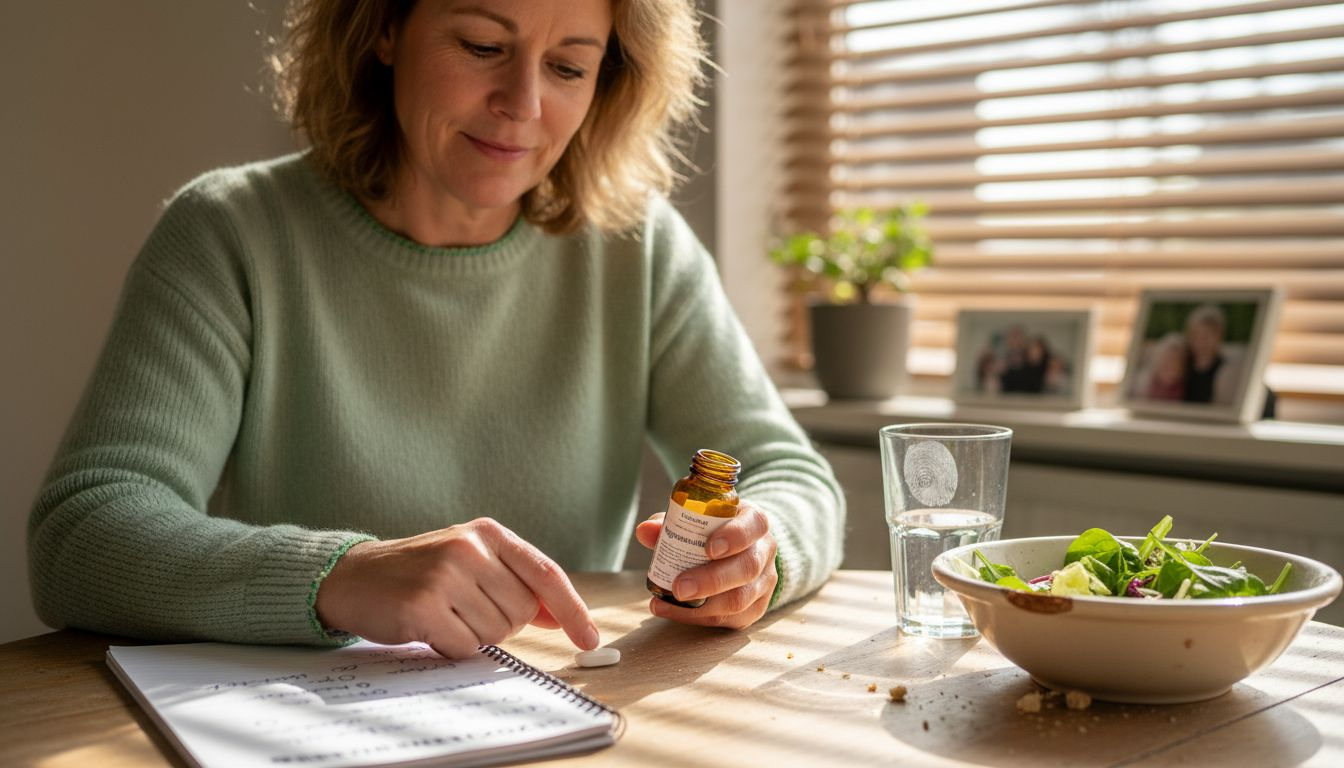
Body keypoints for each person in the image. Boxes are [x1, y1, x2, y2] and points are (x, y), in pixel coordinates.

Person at [27, 0, 844, 660]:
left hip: (567, 720)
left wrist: (758, 556)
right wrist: (335, 576)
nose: (523, 106)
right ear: (383, 26)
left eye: (567, 67)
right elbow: (84, 531)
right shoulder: (231, 232)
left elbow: (789, 476)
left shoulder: (638, 246)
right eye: (483, 44)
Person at [1181, 304, 1236, 404]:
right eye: (1197, 335)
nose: (1201, 342)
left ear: (1219, 337)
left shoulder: (1225, 371)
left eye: (1207, 336)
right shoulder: (1181, 363)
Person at [1139, 332, 1187, 401]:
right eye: (1167, 359)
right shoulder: (1142, 384)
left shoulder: (1185, 390)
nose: (1170, 364)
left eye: (1175, 360)